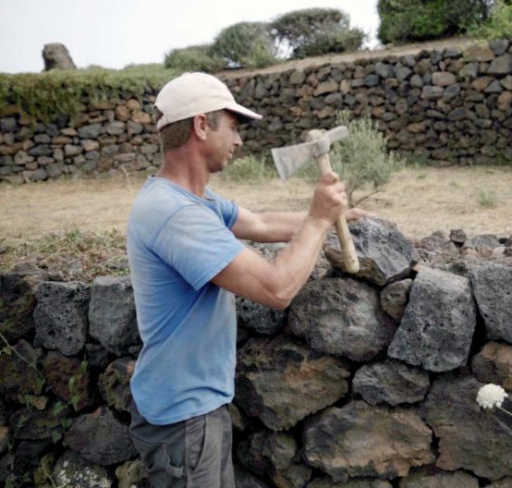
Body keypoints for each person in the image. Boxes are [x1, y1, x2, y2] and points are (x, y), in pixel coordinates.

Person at [126, 72, 369, 488]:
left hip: (197, 407)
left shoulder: (195, 200)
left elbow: (261, 223)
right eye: (234, 127)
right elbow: (277, 287)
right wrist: (317, 220)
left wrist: (341, 217)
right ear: (201, 126)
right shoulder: (175, 213)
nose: (239, 141)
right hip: (185, 417)